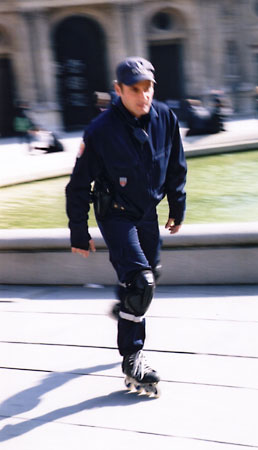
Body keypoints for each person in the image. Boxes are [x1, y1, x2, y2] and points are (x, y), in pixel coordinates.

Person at [65, 56, 187, 393]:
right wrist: (79, 230)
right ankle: (133, 357)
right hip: (116, 214)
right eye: (134, 89)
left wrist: (177, 204)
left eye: (147, 88)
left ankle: (126, 306)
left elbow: (176, 165)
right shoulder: (100, 131)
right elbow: (77, 187)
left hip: (148, 211)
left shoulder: (166, 117)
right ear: (118, 90)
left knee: (151, 274)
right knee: (140, 284)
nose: (143, 95)